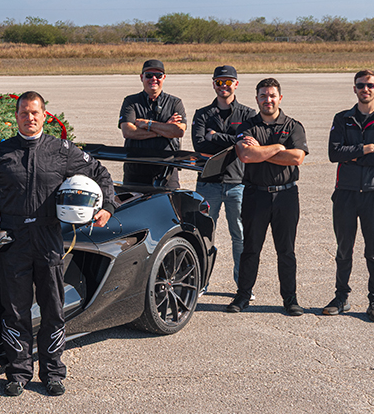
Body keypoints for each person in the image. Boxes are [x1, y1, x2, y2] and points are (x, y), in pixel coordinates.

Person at [0, 91, 116, 397]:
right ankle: (18, 372)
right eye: (24, 113)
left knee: (53, 309)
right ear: (16, 116)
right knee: (15, 311)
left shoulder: (62, 150)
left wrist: (107, 205)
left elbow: (99, 173)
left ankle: (52, 372)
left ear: (45, 115)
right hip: (13, 243)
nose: (29, 118)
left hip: (49, 241)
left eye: (35, 113)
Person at [322, 71, 374, 322]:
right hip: (345, 192)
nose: (365, 89)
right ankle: (341, 297)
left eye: (370, 85)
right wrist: (366, 149)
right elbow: (334, 153)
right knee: (344, 249)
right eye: (360, 85)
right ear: (354, 89)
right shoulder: (343, 118)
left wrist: (352, 155)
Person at [227, 78, 308, 316]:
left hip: (286, 196)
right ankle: (242, 296)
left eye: (272, 95)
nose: (268, 100)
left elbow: (297, 158)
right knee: (250, 248)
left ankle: (290, 299)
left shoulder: (293, 126)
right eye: (263, 96)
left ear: (279, 98)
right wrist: (279, 148)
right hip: (255, 195)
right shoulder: (248, 126)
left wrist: (261, 151)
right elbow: (245, 155)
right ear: (257, 99)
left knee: (286, 250)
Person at [191, 65, 257, 288]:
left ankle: (243, 285)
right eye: (219, 82)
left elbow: (247, 143)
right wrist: (234, 140)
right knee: (203, 236)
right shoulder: (202, 114)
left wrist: (215, 136)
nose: (224, 86)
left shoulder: (248, 114)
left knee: (239, 236)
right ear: (213, 84)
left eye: (228, 82)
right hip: (208, 184)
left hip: (237, 183)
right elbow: (199, 144)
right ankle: (200, 284)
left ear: (236, 84)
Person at [118, 59, 186, 188]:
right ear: (141, 77)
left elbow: (179, 131)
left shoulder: (175, 103)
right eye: (149, 75)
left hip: (167, 170)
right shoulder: (131, 102)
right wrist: (165, 129)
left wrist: (148, 124)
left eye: (158, 75)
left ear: (164, 78)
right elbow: (127, 131)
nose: (153, 79)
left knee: (169, 206)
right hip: (136, 170)